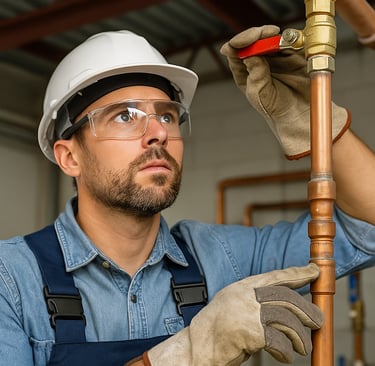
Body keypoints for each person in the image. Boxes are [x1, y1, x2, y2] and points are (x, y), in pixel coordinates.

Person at [0, 25, 375, 366]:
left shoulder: (220, 258)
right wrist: (189, 351)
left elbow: (366, 227)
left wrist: (315, 120)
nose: (158, 133)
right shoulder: (12, 279)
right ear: (70, 157)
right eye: (125, 116)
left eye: (166, 116)